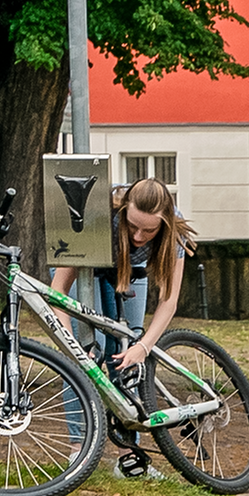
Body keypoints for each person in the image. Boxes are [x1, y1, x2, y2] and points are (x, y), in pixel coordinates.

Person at [51, 178, 198, 477]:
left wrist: (142, 348)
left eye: (149, 231)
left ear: (164, 223)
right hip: (84, 270)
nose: (139, 236)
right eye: (132, 226)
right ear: (123, 211)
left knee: (125, 353)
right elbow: (58, 292)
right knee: (84, 356)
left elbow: (169, 301)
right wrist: (71, 344)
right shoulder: (97, 216)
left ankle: (129, 455)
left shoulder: (174, 230)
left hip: (130, 271)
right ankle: (78, 450)